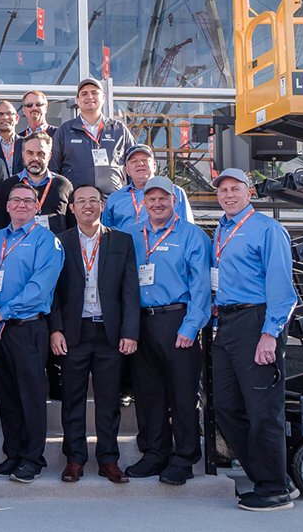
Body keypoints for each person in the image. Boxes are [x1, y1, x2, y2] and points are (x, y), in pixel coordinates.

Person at [210, 168, 298, 511]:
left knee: (263, 409)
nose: (229, 195)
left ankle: (273, 490)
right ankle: (273, 477)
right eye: (223, 190)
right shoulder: (221, 229)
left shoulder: (268, 229)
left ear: (249, 193)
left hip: (257, 320)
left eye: (236, 189)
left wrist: (269, 334)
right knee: (225, 406)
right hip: (227, 322)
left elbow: (281, 288)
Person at [49, 184, 139, 485]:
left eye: (93, 200)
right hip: (73, 332)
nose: (87, 205)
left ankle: (108, 459)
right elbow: (53, 291)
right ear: (71, 208)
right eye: (81, 201)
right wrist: (56, 329)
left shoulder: (122, 240)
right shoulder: (59, 242)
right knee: (72, 399)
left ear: (102, 205)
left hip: (110, 332)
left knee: (109, 400)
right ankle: (74, 459)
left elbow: (130, 290)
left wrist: (130, 331)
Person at [124, 176, 210, 486]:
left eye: (163, 198)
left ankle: (184, 458)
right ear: (143, 203)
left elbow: (201, 286)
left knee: (182, 393)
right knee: (148, 393)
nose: (157, 204)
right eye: (151, 199)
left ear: (174, 201)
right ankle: (154, 453)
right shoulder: (130, 234)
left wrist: (191, 326)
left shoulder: (192, 235)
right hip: (141, 321)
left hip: (177, 320)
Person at [0, 183, 64, 484]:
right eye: (15, 200)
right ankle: (13, 453)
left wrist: (4, 310)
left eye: (28, 201)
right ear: (6, 206)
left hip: (27, 327)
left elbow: (40, 287)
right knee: (7, 395)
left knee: (31, 395)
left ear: (36, 206)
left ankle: (33, 458)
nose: (21, 205)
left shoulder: (47, 241)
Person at [50, 79, 135, 197]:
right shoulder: (65, 131)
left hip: (114, 200)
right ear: (77, 100)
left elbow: (133, 164)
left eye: (94, 93)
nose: (89, 97)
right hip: (76, 202)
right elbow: (53, 169)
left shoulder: (119, 129)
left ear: (103, 98)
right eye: (84, 94)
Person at [0, 132, 74, 236]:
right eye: (30, 153)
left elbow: (72, 227)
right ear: (22, 154)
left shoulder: (63, 185)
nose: (35, 158)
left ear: (49, 156)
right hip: (17, 244)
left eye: (40, 154)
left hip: (54, 245)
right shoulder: (8, 185)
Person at [102, 144, 194, 232]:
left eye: (145, 160)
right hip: (124, 243)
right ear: (127, 170)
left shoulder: (175, 193)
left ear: (154, 166)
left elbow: (188, 230)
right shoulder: (114, 199)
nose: (140, 163)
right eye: (134, 161)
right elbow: (105, 234)